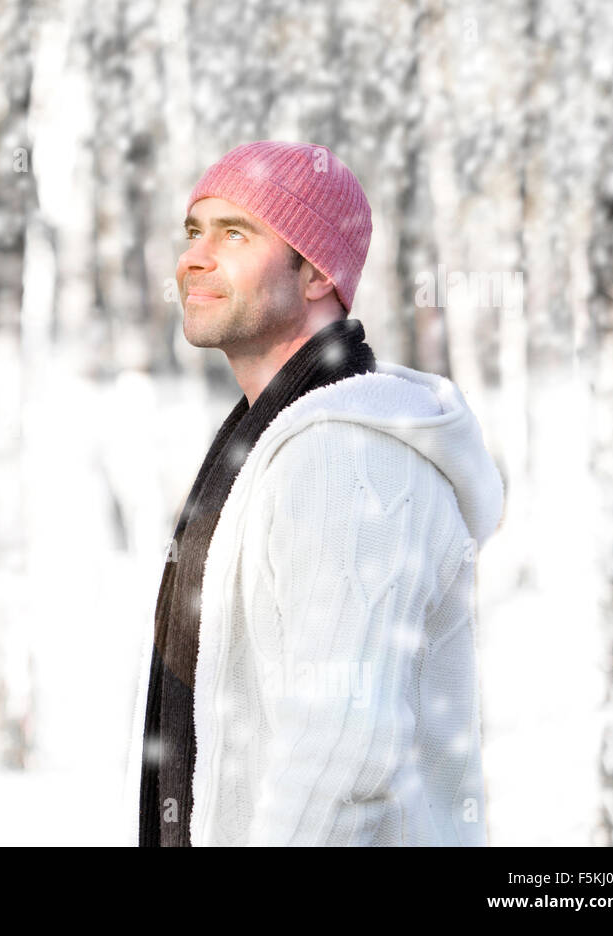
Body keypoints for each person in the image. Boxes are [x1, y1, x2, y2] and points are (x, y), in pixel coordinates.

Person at [125, 140, 505, 846]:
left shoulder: (347, 459)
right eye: (193, 231)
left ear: (316, 273)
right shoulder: (269, 448)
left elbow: (341, 756)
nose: (193, 258)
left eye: (235, 233)